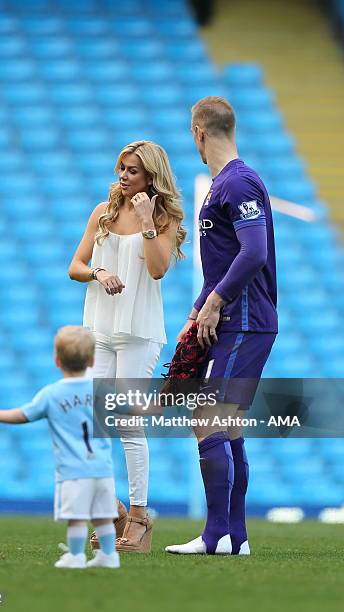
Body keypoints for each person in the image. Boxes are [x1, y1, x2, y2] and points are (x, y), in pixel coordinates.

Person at [165, 96, 278, 556]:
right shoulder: (223, 185)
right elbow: (226, 261)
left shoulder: (238, 183)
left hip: (244, 322)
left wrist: (215, 302)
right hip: (230, 319)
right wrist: (196, 312)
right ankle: (236, 536)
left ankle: (216, 536)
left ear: (198, 132)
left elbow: (254, 253)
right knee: (227, 424)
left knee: (207, 416)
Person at [68, 141, 186, 552]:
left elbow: (156, 270)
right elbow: (75, 266)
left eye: (132, 170)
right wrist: (99, 272)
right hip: (99, 329)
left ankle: (139, 517)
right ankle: (114, 510)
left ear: (151, 177)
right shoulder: (102, 213)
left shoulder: (164, 216)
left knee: (127, 422)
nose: (123, 175)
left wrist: (147, 220)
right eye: (122, 167)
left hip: (138, 331)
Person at [0, 325, 120, 569]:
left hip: (74, 470)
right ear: (92, 360)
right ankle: (108, 555)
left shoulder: (52, 394)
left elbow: (23, 415)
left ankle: (75, 556)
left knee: (76, 518)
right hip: (103, 468)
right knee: (103, 516)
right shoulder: (101, 390)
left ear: (57, 360)